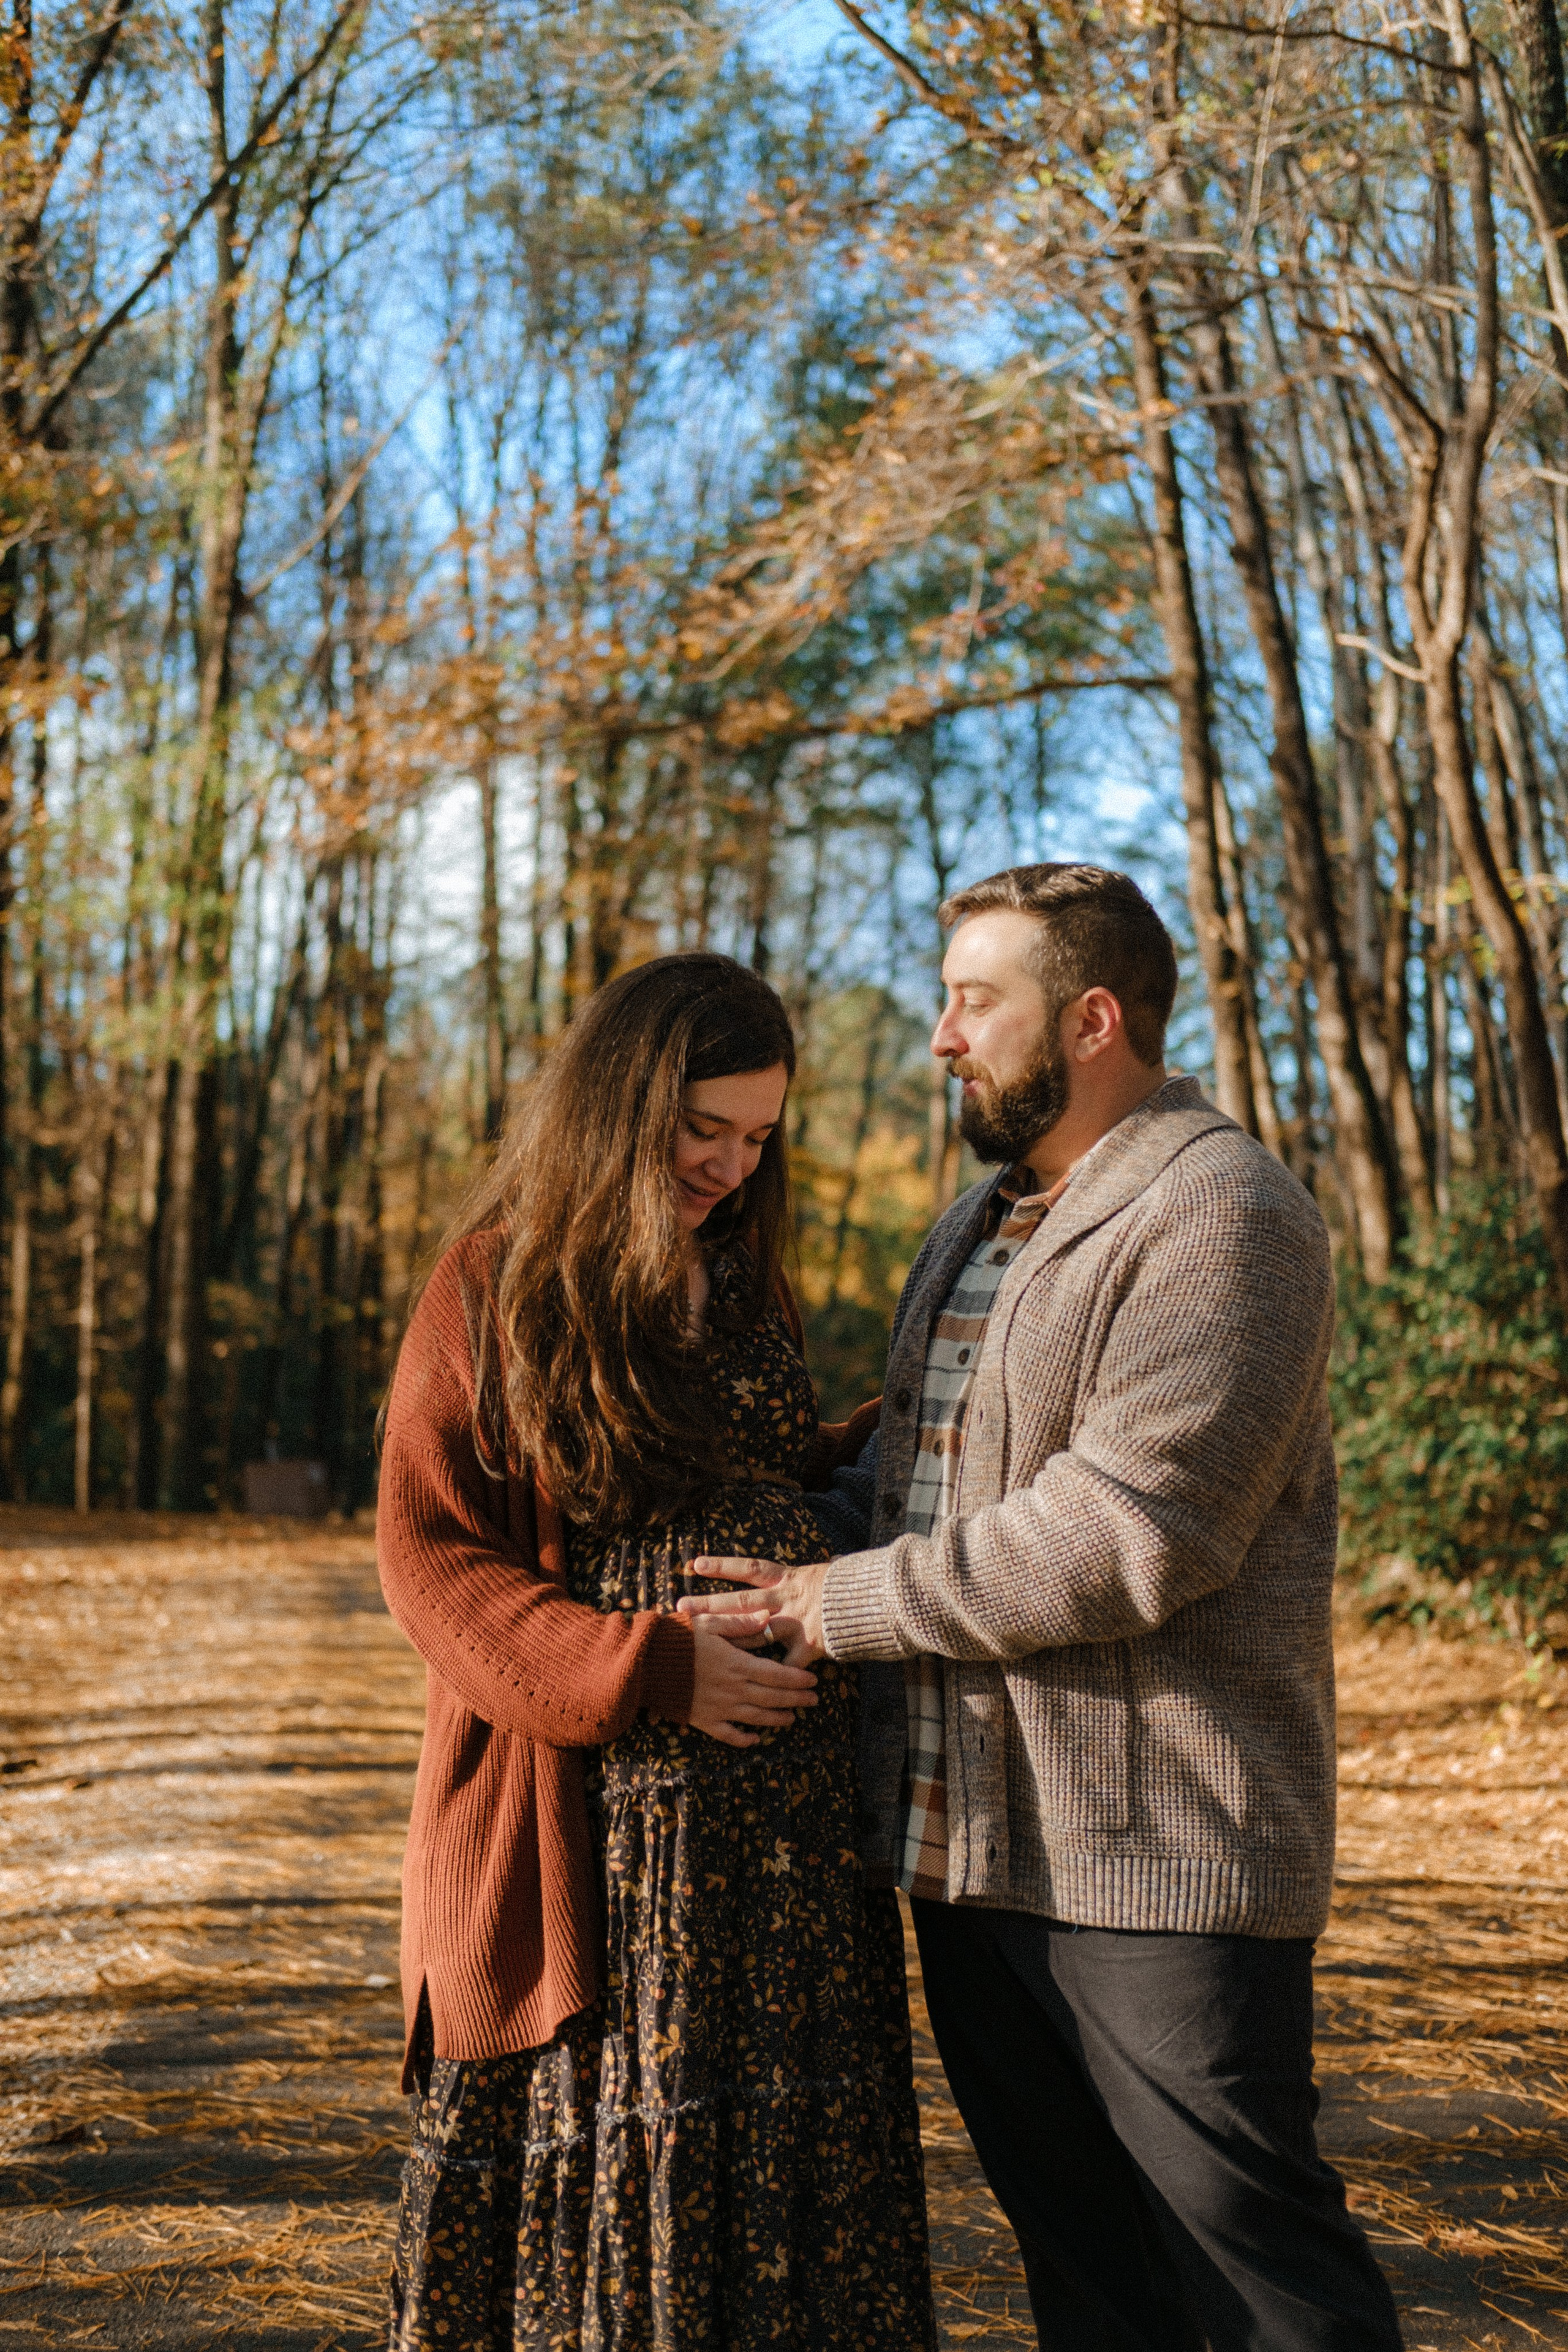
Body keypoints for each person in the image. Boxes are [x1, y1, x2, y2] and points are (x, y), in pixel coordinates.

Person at [684, 865, 1406, 2352]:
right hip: (967, 1857)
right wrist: (704, 1578)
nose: (940, 1035)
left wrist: (829, 1605)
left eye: (973, 1001)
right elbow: (906, 1487)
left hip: (1158, 1867)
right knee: (1091, 2284)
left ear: (1087, 1019)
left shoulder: (1221, 1214)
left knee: (1258, 2282)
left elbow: (1128, 1532)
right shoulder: (977, 1223)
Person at [377, 952, 936, 2352]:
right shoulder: (495, 1287)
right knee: (631, 2173)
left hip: (786, 1855)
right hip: (610, 1844)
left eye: (757, 1138)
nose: (730, 1167)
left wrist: (919, 1424)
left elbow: (739, 1478)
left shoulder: (739, 1280)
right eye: (704, 1129)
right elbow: (432, 1560)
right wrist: (648, 1671)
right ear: (622, 1101)